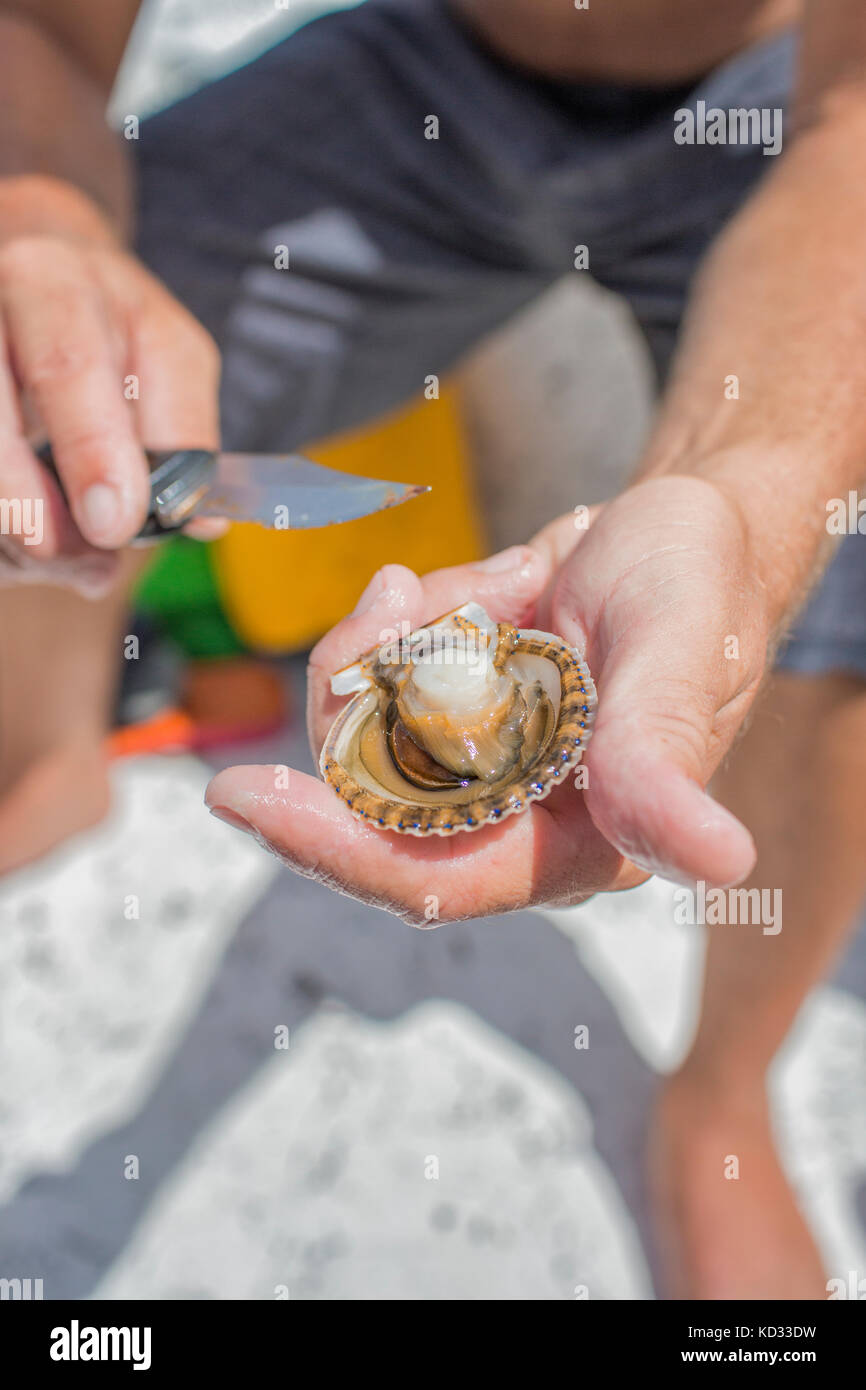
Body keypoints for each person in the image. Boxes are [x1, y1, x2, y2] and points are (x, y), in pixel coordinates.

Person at [1, 0, 865, 1298]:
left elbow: (849, 133)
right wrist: (45, 225)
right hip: (429, 67)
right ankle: (42, 757)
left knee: (834, 564)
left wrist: (743, 511)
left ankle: (722, 1090)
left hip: (793, 118)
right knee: (56, 397)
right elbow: (42, 29)